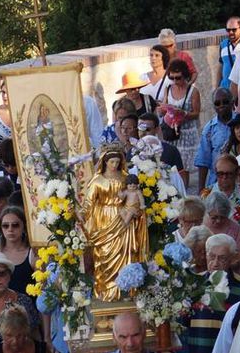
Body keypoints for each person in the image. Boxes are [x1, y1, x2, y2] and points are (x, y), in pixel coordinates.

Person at [79, 145, 148, 301]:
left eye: (117, 161)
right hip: (103, 220)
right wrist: (81, 214)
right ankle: (105, 290)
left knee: (126, 252)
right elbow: (89, 203)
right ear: (105, 162)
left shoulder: (125, 177)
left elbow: (134, 196)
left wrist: (137, 209)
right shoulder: (97, 180)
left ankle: (125, 291)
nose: (115, 165)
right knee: (103, 255)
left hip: (124, 219)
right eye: (111, 162)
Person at [157, 59, 201, 187]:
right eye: (172, 78)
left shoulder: (193, 91)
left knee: (184, 167)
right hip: (171, 133)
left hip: (186, 133)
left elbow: (197, 112)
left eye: (178, 78)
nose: (175, 81)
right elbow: (163, 109)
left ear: (185, 76)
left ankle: (184, 191)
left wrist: (183, 114)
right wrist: (163, 110)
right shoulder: (168, 88)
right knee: (170, 162)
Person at [201, 154, 240, 248]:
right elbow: (202, 226)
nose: (224, 177)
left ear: (236, 173)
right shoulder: (206, 194)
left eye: (228, 174)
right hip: (213, 244)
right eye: (220, 174)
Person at [195, 88, 235, 193]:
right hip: (216, 183)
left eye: (225, 102)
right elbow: (203, 160)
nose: (221, 105)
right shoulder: (209, 129)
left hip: (239, 180)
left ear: (232, 103)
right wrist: (201, 190)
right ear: (214, 107)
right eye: (217, 103)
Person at [0, 207, 35, 294]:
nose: (10, 229)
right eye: (5, 226)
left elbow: (43, 287)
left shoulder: (33, 254)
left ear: (24, 226)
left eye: (15, 225)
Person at [203, 192, 240, 265]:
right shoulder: (202, 226)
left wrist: (229, 262)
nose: (218, 221)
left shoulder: (235, 228)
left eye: (223, 217)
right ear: (208, 214)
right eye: (214, 218)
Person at [218, 16, 240, 88]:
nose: (231, 32)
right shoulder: (223, 44)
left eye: (234, 30)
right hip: (226, 91)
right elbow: (221, 66)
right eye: (228, 30)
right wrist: (216, 88)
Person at [139, 44, 172, 111]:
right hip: (147, 117)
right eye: (151, 55)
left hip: (163, 117)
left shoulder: (170, 78)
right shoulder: (142, 78)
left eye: (157, 55)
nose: (153, 58)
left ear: (163, 58)